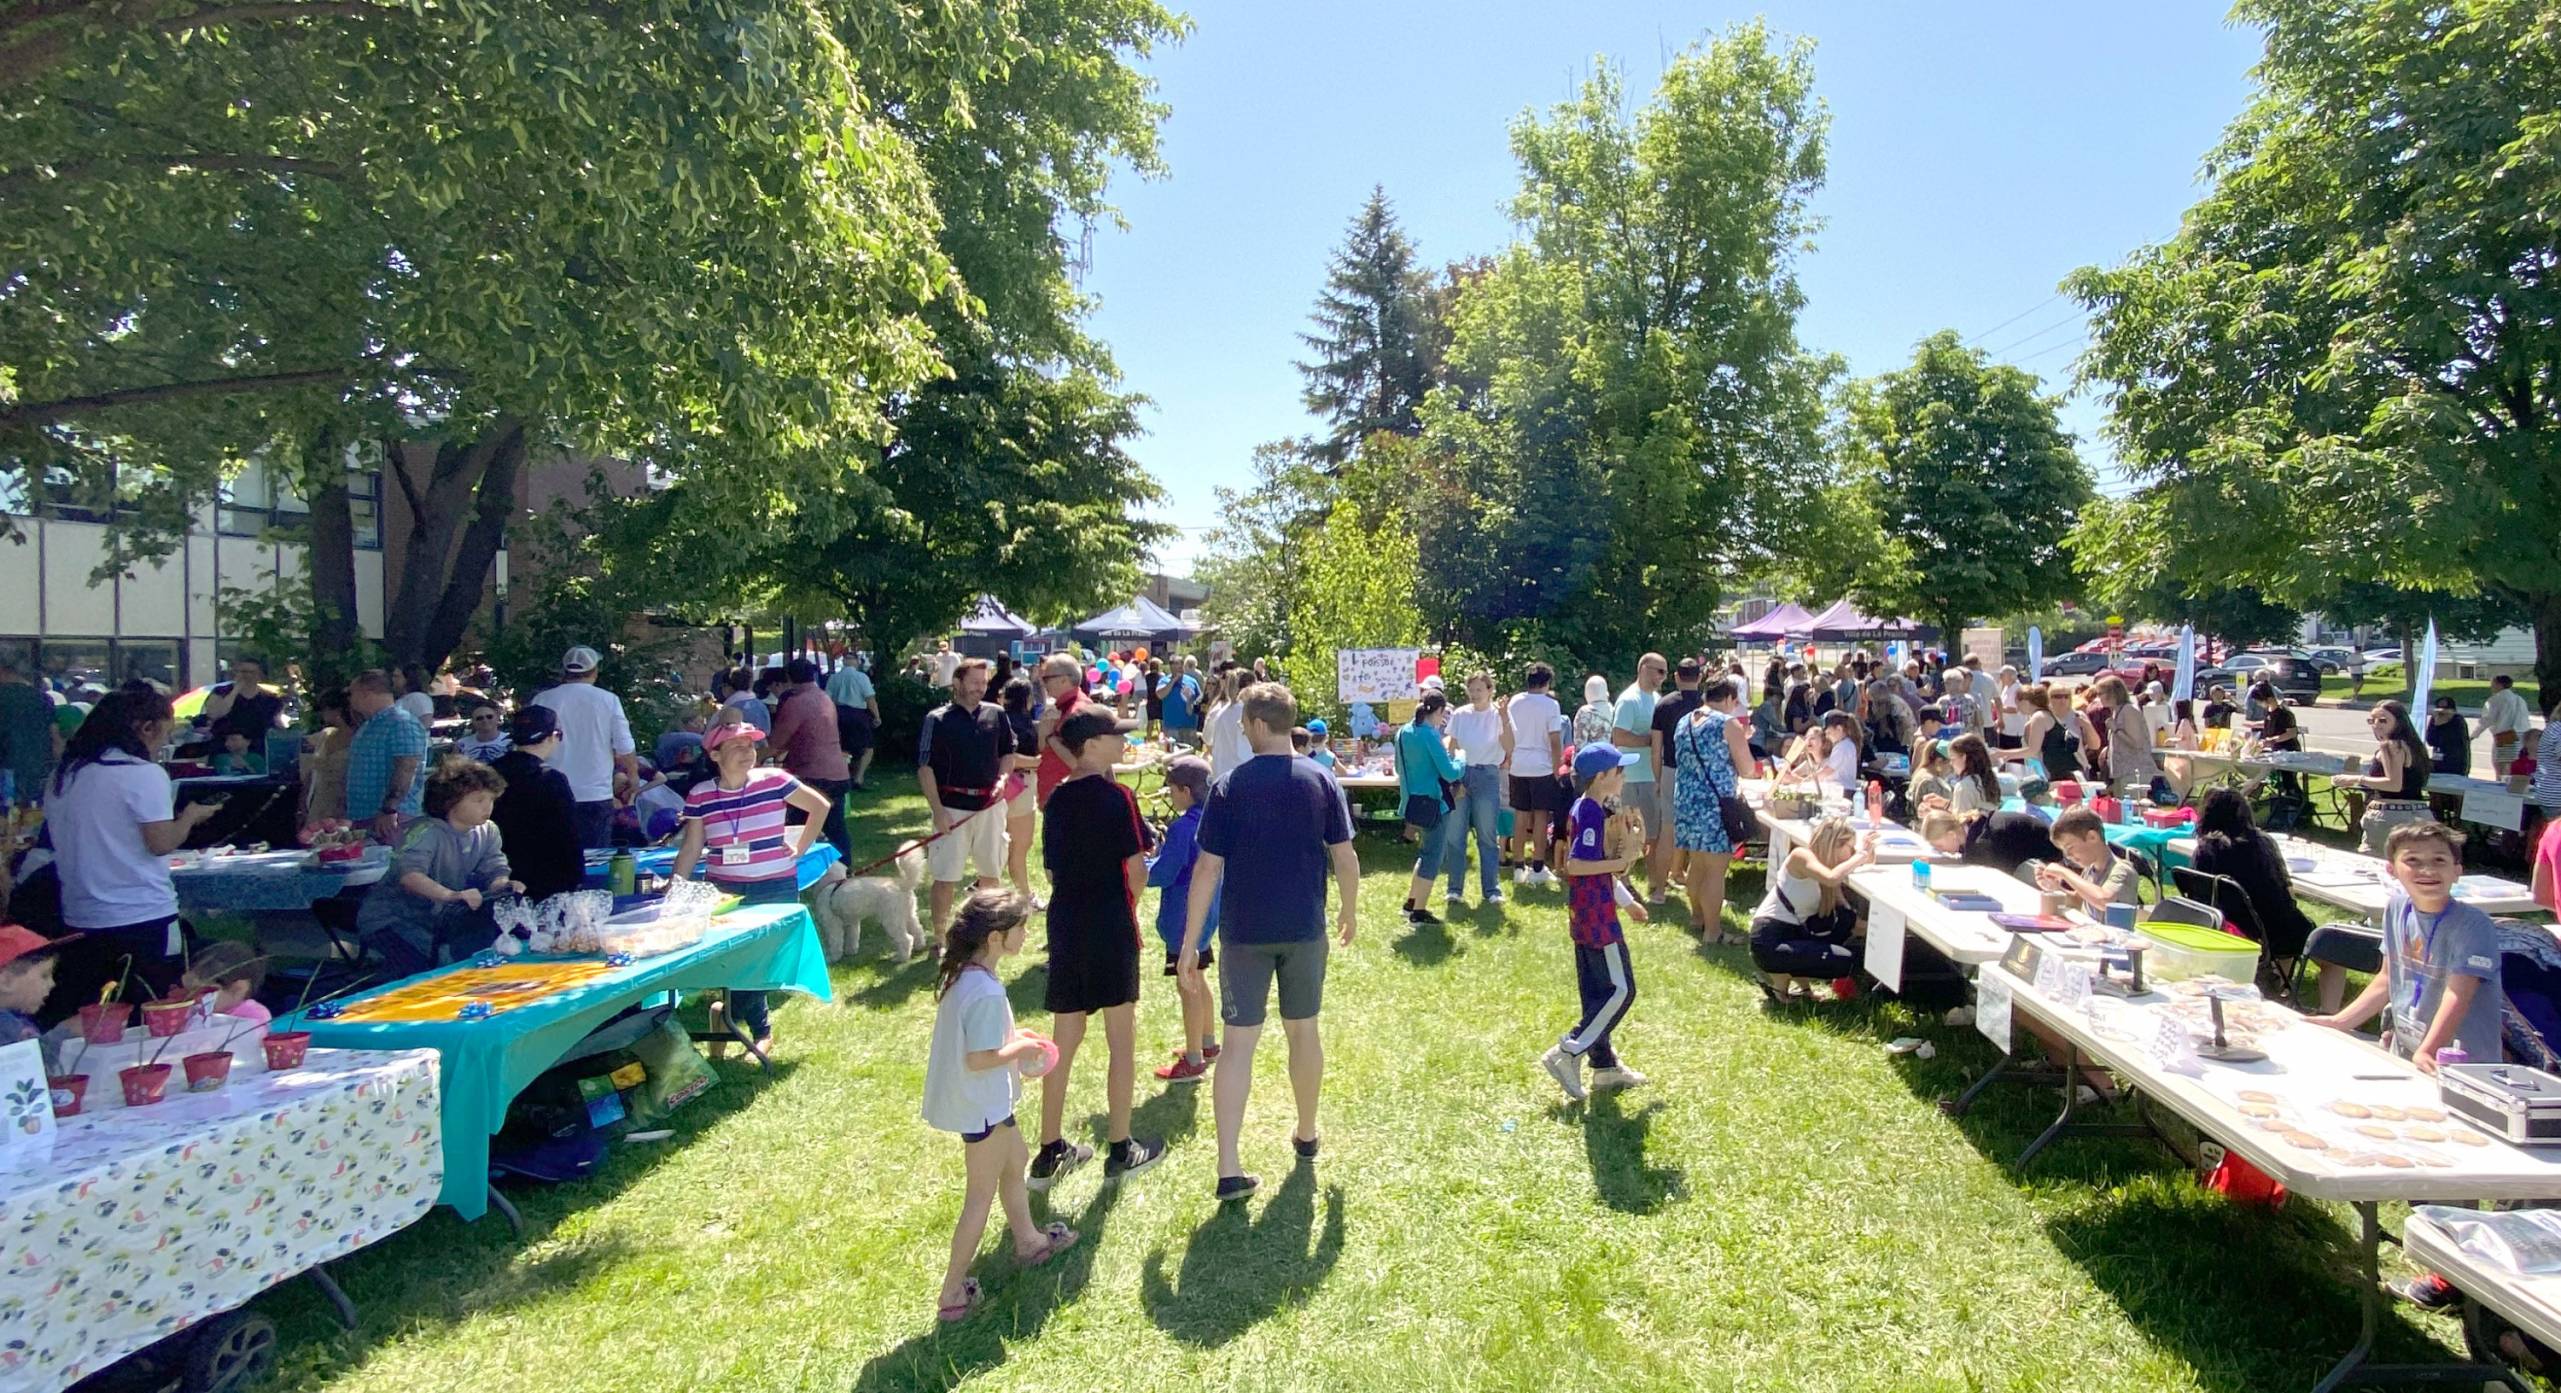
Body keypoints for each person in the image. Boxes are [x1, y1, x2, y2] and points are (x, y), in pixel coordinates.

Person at [1179, 682, 1358, 1204]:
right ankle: (1306, 1133)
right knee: (1304, 1032)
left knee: (1238, 1045)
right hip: (1304, 928)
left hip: (1244, 933)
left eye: (1242, 726)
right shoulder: (1322, 779)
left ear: (1258, 725)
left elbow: (1207, 869)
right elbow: (1344, 857)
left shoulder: (1229, 786)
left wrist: (1192, 942)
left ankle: (1229, 1166)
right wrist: (1349, 909)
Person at [1026, 710, 1167, 1188]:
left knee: (1063, 1038)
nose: (1122, 744)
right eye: (1115, 737)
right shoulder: (1118, 797)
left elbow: (1050, 870)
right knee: (1120, 1038)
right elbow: (1137, 869)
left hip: (1066, 923)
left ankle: (1049, 1149)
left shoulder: (1056, 799)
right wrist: (1127, 901)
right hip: (1109, 923)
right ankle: (1122, 1146)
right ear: (1090, 745)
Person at [925, 888, 1077, 1323]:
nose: (1026, 935)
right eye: (1020, 928)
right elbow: (980, 1058)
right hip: (983, 1108)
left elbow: (984, 1039)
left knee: (1017, 1160)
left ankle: (1028, 1241)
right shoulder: (985, 992)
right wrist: (1021, 1048)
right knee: (979, 1198)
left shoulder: (969, 976)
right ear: (995, 938)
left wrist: (1013, 1038)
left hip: (987, 1103)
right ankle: (953, 1291)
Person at [42, 690, 217, 1004]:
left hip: (81, 914)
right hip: (142, 914)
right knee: (152, 1012)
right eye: (165, 732)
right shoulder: (143, 774)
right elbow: (160, 843)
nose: (164, 743)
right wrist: (189, 817)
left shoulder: (65, 775)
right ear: (146, 728)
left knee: (95, 1014)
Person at [673, 720, 832, 1055]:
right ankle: (756, 1029)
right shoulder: (701, 794)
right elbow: (691, 848)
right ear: (715, 755)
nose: (749, 753)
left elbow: (820, 806)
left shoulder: (775, 780)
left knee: (763, 959)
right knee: (737, 957)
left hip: (776, 885)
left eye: (751, 746)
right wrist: (675, 891)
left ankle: (729, 1015)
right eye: (737, 747)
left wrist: (800, 848)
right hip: (726, 890)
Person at [2310, 822, 2503, 1068]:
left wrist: (2428, 1051)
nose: (2427, 870)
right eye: (2412, 861)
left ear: (2457, 871)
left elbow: (2458, 995)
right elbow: (2387, 978)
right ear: (2392, 870)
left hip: (2461, 1061)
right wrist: (2340, 1021)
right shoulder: (2396, 909)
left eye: (2439, 861)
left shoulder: (2473, 924)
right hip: (2408, 1052)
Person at [1539, 743, 1648, 1100]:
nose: (1624, 777)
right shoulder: (1588, 811)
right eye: (1619, 771)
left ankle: (1603, 1066)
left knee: (1597, 991)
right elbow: (1577, 866)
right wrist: (1617, 864)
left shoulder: (1593, 807)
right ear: (1601, 777)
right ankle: (1569, 1050)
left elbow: (1594, 868)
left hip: (1589, 910)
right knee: (1621, 990)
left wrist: (1628, 901)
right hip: (1596, 915)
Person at [355, 756, 520, 977]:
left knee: (462, 957)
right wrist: (451, 895)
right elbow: (410, 875)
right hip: (390, 919)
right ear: (450, 801)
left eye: (491, 800)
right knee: (428, 965)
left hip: (435, 919)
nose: (488, 807)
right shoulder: (426, 831)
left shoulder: (488, 830)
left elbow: (494, 865)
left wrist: (503, 885)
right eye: (479, 800)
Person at [918, 659, 1017, 935]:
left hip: (990, 807)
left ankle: (987, 934)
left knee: (991, 873)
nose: (980, 688)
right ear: (957, 683)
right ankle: (940, 937)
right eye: (974, 683)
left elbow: (1008, 753)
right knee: (945, 876)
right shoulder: (937, 719)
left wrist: (1003, 779)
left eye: (984, 683)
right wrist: (937, 811)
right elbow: (925, 768)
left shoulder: (996, 714)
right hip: (951, 807)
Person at [1749, 816, 1878, 1001]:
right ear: (1836, 845)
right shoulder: (1802, 856)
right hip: (1768, 939)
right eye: (1850, 848)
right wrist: (1860, 856)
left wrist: (1867, 851)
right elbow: (1832, 878)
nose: (1852, 854)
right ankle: (1780, 986)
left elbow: (1847, 913)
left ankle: (1795, 991)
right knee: (1845, 962)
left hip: (1789, 935)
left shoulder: (1825, 866)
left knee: (1843, 924)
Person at [1148, 757, 1219, 1085]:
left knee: (1186, 982)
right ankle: (1206, 1042)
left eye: (1172, 789)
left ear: (1185, 791)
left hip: (1182, 919)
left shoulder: (1182, 828)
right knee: (1200, 976)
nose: (1169, 794)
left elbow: (1164, 873)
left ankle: (1193, 1060)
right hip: (1207, 917)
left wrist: (1142, 868)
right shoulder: (1214, 820)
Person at [1670, 674, 1754, 942]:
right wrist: (1743, 739)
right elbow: (1748, 768)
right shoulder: (1727, 723)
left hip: (1686, 801)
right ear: (1729, 698)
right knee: (1716, 870)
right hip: (1715, 805)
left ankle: (1697, 917)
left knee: (1697, 864)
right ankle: (1714, 931)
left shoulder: (1685, 721)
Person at [531, 646, 639, 850]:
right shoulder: (608, 700)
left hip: (550, 791)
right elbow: (624, 746)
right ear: (594, 670)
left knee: (552, 856)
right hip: (594, 794)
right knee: (592, 857)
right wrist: (632, 776)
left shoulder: (543, 700)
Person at [2191, 787, 2315, 964]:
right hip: (2273, 928)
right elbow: (2286, 891)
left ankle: (2280, 980)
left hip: (2223, 928)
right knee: (2330, 952)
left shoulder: (2204, 850)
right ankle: (2284, 984)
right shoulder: (2263, 844)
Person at [487, 705, 584, 901]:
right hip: (546, 878)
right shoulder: (551, 779)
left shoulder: (488, 773)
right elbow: (568, 834)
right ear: (552, 736)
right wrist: (577, 878)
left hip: (496, 875)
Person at [769, 658, 853, 858]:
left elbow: (776, 743)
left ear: (789, 678)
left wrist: (755, 758)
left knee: (796, 828)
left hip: (811, 774)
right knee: (836, 828)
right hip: (837, 772)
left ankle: (795, 865)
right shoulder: (824, 698)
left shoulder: (796, 703)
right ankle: (845, 870)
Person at [2334, 699, 2437, 854]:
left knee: (2376, 866)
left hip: (2390, 816)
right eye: (2372, 720)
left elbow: (2394, 784)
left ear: (2399, 722)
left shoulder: (2391, 746)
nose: (2376, 724)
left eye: (2383, 720)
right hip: (2420, 813)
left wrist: (2357, 779)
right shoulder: (2414, 746)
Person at [1397, 691, 1464, 925]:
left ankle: (1411, 903)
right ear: (1437, 711)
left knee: (1425, 854)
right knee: (1433, 857)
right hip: (1435, 804)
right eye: (1442, 714)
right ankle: (1419, 913)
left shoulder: (1403, 732)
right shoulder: (1430, 735)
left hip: (1412, 802)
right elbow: (1450, 772)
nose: (1442, 720)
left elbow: (1399, 766)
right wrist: (1461, 760)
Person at [1444, 671, 1508, 909]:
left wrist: (1505, 717)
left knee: (1487, 836)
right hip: (1461, 775)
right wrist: (1449, 773)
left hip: (1487, 775)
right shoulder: (1460, 714)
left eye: (1480, 689)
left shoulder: (1498, 715)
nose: (1475, 694)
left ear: (1490, 690)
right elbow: (1451, 744)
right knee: (1455, 834)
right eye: (1472, 690)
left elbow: (1510, 746)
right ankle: (1454, 889)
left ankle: (1491, 889)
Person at [343, 670, 429, 843]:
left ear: (365, 692)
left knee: (393, 867)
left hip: (391, 819)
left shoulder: (401, 723)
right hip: (364, 815)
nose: (350, 699)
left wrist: (390, 809)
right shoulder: (369, 725)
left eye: (352, 693)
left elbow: (407, 767)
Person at [1502, 664, 1568, 887]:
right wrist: (1557, 766)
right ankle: (1538, 866)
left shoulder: (1514, 701)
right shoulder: (1551, 705)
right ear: (1547, 683)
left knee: (1520, 816)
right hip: (1542, 766)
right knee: (1540, 816)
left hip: (1518, 763)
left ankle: (1519, 866)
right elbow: (1555, 740)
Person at [1651, 658, 1711, 895]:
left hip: (1670, 769)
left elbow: (1656, 749)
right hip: (1699, 775)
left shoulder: (1663, 705)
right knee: (1698, 831)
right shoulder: (1707, 707)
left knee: (1667, 830)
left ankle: (1658, 890)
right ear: (1699, 677)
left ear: (1676, 676)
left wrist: (1657, 779)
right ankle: (1698, 888)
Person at [1611, 654, 1668, 901]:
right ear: (1644, 669)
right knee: (1631, 834)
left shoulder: (1655, 699)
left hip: (1651, 775)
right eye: (1659, 671)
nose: (1662, 678)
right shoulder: (1628, 700)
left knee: (1652, 834)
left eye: (1665, 672)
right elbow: (1619, 737)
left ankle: (1655, 881)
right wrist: (1651, 742)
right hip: (1632, 777)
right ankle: (1623, 881)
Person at [2033, 806, 2140, 914]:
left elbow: (2104, 901)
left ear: (2092, 837)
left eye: (2070, 847)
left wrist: (2063, 872)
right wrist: (2056, 888)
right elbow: (2078, 902)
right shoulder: (2090, 868)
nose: (2068, 855)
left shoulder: (2122, 870)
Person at [996, 678, 1041, 904]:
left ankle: (986, 885)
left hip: (1008, 786)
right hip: (1019, 785)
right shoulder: (1018, 723)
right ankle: (1025, 895)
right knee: (1020, 847)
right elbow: (1011, 758)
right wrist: (1039, 763)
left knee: (1005, 843)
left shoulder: (1000, 719)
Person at [1919, 807, 2060, 877]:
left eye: (1940, 846)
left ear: (1951, 835)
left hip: (2052, 860)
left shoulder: (1983, 843)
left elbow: (1989, 878)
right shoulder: (1975, 825)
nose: (1941, 851)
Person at [0, 927, 69, 1064]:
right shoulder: (7, 1028)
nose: (52, 983)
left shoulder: (15, 1018)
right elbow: (37, 1066)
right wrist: (66, 1032)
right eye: (44, 975)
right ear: (6, 981)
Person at [198, 655, 284, 754]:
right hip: (224, 748)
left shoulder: (270, 698)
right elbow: (214, 713)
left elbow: (276, 723)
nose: (247, 676)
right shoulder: (221, 692)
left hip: (258, 751)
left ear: (259, 675)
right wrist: (235, 690)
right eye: (243, 672)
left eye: (251, 672)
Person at [182, 939, 271, 1026]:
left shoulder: (253, 1015)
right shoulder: (195, 1011)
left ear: (238, 989)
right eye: (189, 991)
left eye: (205, 993)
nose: (193, 999)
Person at [297, 688, 353, 825]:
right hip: (319, 801)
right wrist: (302, 802)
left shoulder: (358, 737)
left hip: (344, 802)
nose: (322, 714)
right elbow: (312, 772)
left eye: (324, 709)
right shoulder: (326, 735)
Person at [826, 656, 882, 791]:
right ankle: (858, 777)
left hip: (839, 713)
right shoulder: (862, 677)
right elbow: (870, 698)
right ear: (856, 662)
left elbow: (827, 698)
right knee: (867, 748)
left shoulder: (834, 678)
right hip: (858, 714)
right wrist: (877, 716)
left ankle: (843, 777)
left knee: (842, 746)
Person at [2093, 675, 2157, 793]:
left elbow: (2137, 743)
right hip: (2121, 773)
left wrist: (2116, 729)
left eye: (2100, 694)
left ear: (2112, 693)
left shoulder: (2129, 710)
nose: (2098, 698)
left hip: (2135, 773)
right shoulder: (2116, 711)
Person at [1203, 668, 1252, 779]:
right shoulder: (1250, 713)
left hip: (1221, 774)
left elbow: (1207, 740)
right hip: (1244, 775)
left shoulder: (1217, 711)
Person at [1943, 734, 2003, 816]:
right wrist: (1945, 804)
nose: (1951, 763)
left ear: (1964, 757)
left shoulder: (1964, 787)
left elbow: (1961, 822)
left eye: (1953, 759)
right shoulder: (1990, 779)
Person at [2483, 674, 2532, 773]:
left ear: (2499, 685)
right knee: (2516, 766)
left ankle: (2502, 786)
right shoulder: (2520, 699)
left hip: (2506, 735)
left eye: (2493, 684)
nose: (2491, 686)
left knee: (2503, 768)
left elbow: (2488, 719)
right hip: (2522, 735)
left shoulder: (2496, 699)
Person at [1160, 657, 1203, 749]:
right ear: (1171, 668)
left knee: (1190, 753)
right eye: (1175, 667)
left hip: (1189, 725)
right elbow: (1160, 695)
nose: (1178, 670)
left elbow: (1199, 698)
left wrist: (1190, 698)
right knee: (1172, 754)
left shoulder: (1192, 681)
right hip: (1171, 726)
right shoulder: (1164, 681)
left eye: (1180, 667)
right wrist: (1174, 680)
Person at [2424, 697, 2472, 777]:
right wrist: (2436, 724)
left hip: (2455, 764)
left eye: (2445, 709)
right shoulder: (2435, 719)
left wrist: (2444, 723)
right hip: (2437, 762)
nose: (2442, 712)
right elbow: (2431, 740)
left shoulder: (2458, 721)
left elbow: (2451, 741)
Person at [1817, 710, 1861, 796]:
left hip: (1843, 791)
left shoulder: (1842, 747)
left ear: (1839, 729)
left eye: (1829, 733)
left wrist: (1811, 779)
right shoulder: (1846, 744)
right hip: (1842, 789)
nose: (1827, 737)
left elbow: (1828, 770)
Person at [1572, 674, 1616, 753]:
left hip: (1590, 758)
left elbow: (1579, 743)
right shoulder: (1613, 710)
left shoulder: (1584, 712)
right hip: (1609, 756)